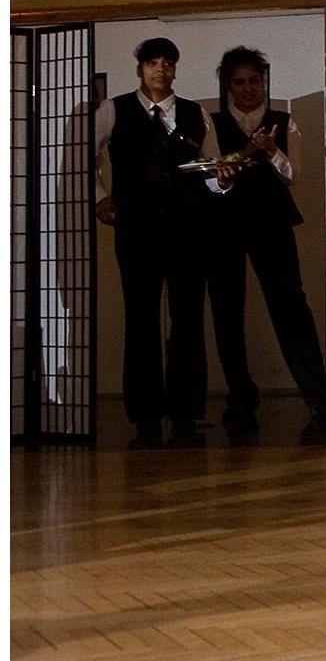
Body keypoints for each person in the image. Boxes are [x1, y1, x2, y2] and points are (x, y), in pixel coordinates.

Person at [92, 38, 220, 448]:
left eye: (167, 63)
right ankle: (145, 412)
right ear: (140, 69)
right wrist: (101, 196)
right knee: (141, 316)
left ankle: (185, 410)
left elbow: (212, 166)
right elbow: (83, 157)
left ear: (175, 69)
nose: (160, 70)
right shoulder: (115, 109)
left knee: (187, 318)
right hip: (137, 228)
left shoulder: (195, 112)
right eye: (152, 63)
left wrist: (222, 179)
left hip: (188, 227)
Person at [208, 47, 326, 431]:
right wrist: (241, 157)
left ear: (264, 83)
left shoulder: (284, 120)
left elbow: (292, 174)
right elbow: (214, 178)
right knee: (226, 311)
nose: (248, 89)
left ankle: (317, 394)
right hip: (225, 225)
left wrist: (271, 150)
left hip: (273, 222)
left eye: (255, 81)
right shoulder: (210, 122)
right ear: (228, 86)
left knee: (291, 306)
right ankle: (240, 398)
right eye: (240, 82)